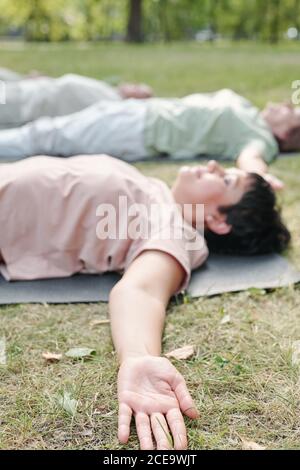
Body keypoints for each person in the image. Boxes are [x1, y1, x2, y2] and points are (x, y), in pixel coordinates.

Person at [0, 154, 290, 449]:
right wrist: (256, 171)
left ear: (217, 220)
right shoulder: (161, 196)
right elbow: (251, 161)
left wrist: (139, 356)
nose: (214, 164)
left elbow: (142, 291)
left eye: (227, 179)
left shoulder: (175, 231)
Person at [0, 88, 297, 191]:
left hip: (138, 131)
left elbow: (252, 160)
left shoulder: (259, 137)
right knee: (47, 125)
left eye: (291, 111)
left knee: (45, 135)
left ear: (285, 134)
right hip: (140, 112)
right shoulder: (251, 113)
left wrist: (259, 178)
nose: (284, 105)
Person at [0, 72, 153, 128]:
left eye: (139, 89)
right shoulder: (108, 90)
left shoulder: (109, 106)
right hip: (30, 88)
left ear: (136, 100)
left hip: (26, 104)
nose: (133, 85)